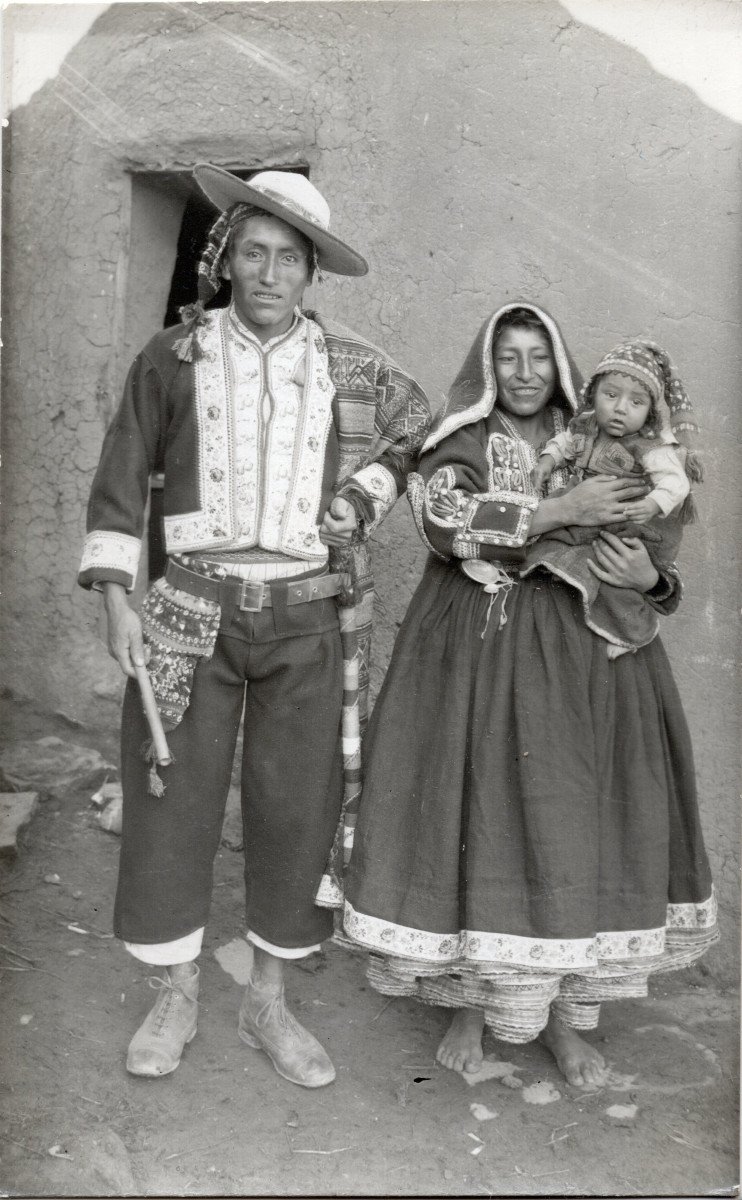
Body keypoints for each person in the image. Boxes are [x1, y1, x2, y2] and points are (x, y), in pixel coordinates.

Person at [78, 165, 430, 1088]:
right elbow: (122, 477)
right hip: (190, 610)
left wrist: (365, 494)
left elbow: (417, 430)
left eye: (289, 259)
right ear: (227, 259)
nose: (270, 274)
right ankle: (177, 993)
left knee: (296, 807)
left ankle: (267, 1002)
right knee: (170, 801)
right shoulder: (172, 357)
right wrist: (119, 599)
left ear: (311, 275)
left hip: (307, 618)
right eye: (254, 253)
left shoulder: (351, 366)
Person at [344, 302, 717, 1089]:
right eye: (507, 357)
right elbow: (443, 521)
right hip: (477, 649)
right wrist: (558, 511)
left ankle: (562, 1020)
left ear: (560, 366)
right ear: (487, 366)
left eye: (538, 357)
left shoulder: (600, 438)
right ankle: (470, 1004)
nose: (523, 373)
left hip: (586, 659)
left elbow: (657, 532)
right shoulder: (463, 439)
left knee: (569, 820)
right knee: (478, 813)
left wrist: (655, 579)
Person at [525, 338, 701, 656]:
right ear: (593, 393)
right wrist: (547, 461)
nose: (620, 408)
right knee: (558, 547)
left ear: (649, 413)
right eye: (611, 395)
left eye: (636, 402)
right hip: (586, 509)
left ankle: (630, 633)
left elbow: (676, 484)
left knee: (614, 573)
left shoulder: (650, 446)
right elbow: (564, 444)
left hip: (626, 521)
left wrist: (650, 503)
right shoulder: (585, 426)